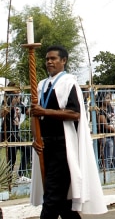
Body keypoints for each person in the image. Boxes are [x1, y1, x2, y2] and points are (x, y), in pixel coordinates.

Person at [30, 45, 107, 218]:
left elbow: (74, 113)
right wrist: (36, 138)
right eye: (47, 59)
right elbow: (34, 116)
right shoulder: (41, 85)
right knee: (63, 203)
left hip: (63, 146)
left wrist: (45, 112)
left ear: (63, 61)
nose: (49, 62)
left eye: (53, 58)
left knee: (52, 197)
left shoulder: (69, 83)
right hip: (45, 145)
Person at [1, 83, 24, 172]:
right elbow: (2, 114)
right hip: (8, 130)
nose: (19, 90)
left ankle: (11, 178)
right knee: (27, 150)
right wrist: (11, 106)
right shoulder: (7, 99)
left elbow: (26, 111)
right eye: (16, 88)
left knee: (12, 156)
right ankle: (20, 174)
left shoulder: (19, 101)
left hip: (15, 130)